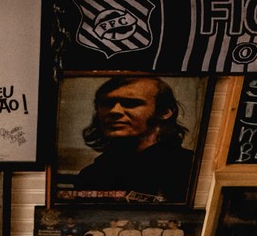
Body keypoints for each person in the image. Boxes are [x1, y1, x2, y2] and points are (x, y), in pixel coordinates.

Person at [71, 75, 195, 203]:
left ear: (165, 112)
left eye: (131, 103)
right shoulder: (91, 175)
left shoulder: (189, 170)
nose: (114, 111)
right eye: (106, 104)